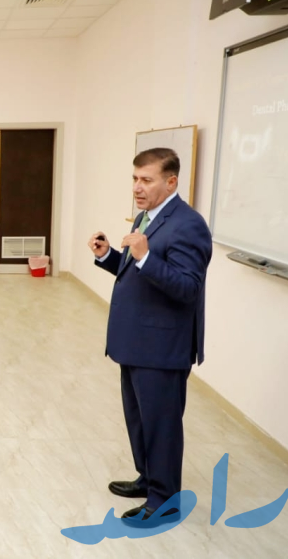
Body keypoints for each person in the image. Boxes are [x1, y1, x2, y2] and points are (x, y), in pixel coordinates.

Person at [89, 147, 212, 525]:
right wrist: (109, 256)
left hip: (162, 347)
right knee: (140, 420)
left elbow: (188, 288)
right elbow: (136, 272)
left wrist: (144, 257)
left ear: (171, 182)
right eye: (135, 179)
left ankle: (165, 501)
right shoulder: (147, 216)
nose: (137, 188)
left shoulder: (189, 225)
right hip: (135, 343)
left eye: (147, 180)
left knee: (161, 426)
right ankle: (149, 479)